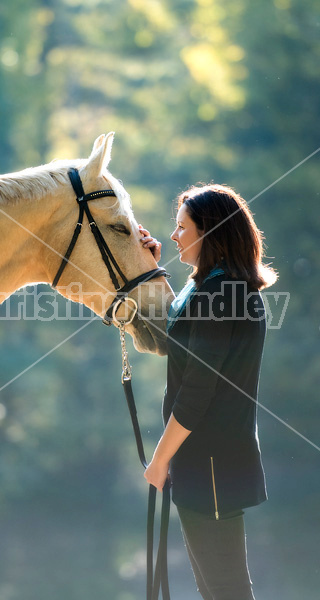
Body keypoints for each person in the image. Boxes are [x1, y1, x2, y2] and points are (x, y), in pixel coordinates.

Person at [139, 183, 277, 600]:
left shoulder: (220, 295)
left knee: (227, 591)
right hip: (203, 464)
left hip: (211, 465)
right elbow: (172, 336)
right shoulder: (211, 286)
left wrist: (159, 460)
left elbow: (197, 393)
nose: (174, 235)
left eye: (182, 227)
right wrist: (150, 268)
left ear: (209, 232)